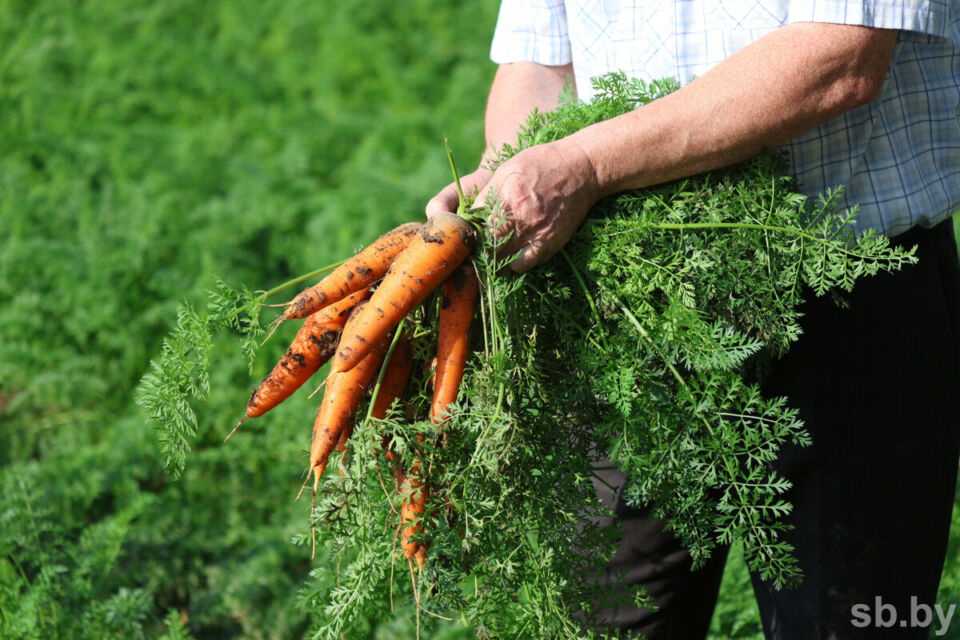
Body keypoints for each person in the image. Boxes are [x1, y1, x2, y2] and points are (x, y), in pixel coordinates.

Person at [426, 2, 960, 638]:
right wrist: (507, 174)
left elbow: (842, 58)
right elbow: (539, 61)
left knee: (854, 620)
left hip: (844, 287)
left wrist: (585, 167)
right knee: (599, 619)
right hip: (620, 315)